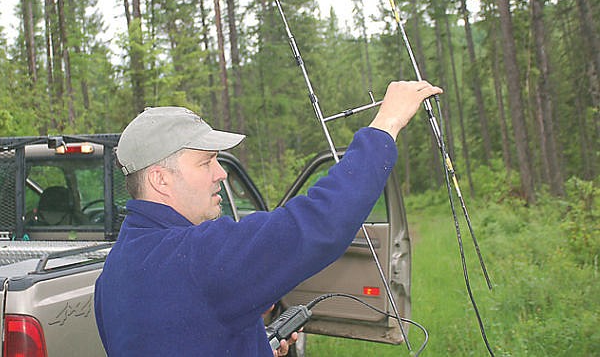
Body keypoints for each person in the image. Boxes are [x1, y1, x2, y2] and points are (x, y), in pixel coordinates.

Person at [94, 80, 443, 356]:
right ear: (160, 179)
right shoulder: (196, 257)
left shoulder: (113, 273)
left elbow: (183, 337)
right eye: (206, 162)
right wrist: (385, 126)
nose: (222, 173)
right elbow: (319, 223)